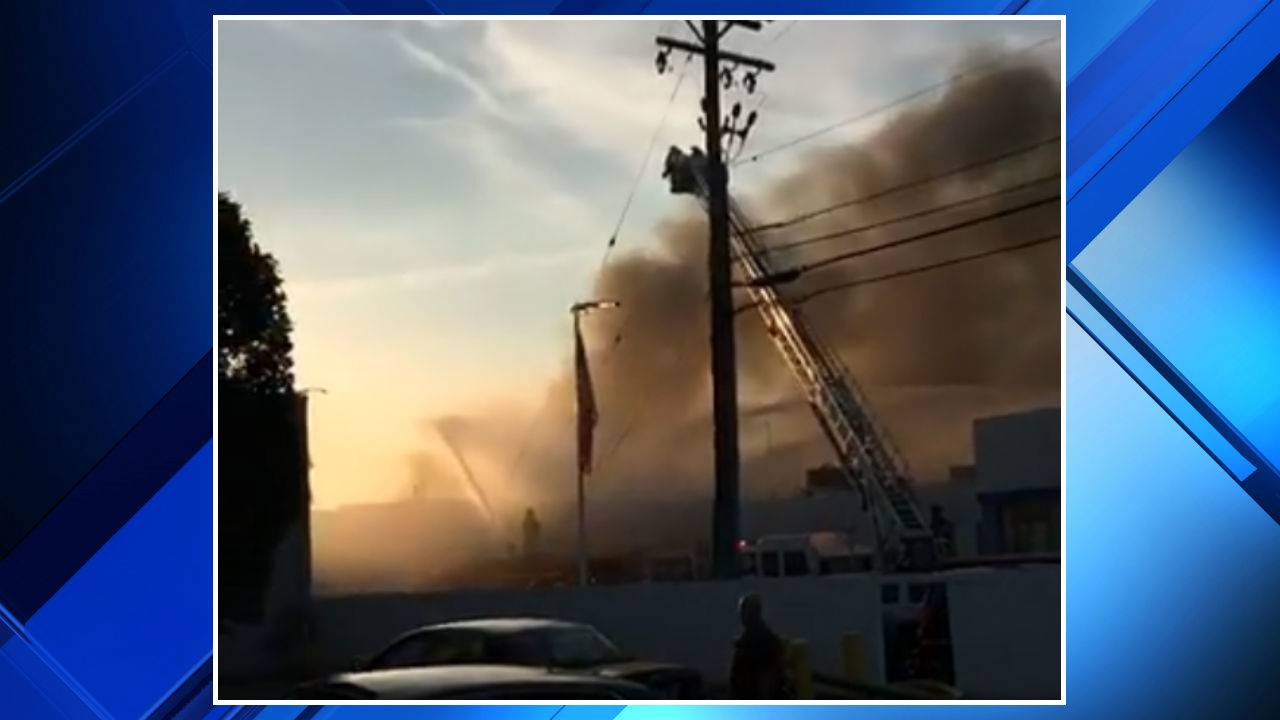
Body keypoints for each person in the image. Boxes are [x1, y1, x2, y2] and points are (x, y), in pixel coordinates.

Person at [730, 593, 787, 699]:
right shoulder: (760, 638)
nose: (741, 615)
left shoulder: (758, 640)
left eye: (743, 611)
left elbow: (767, 677)